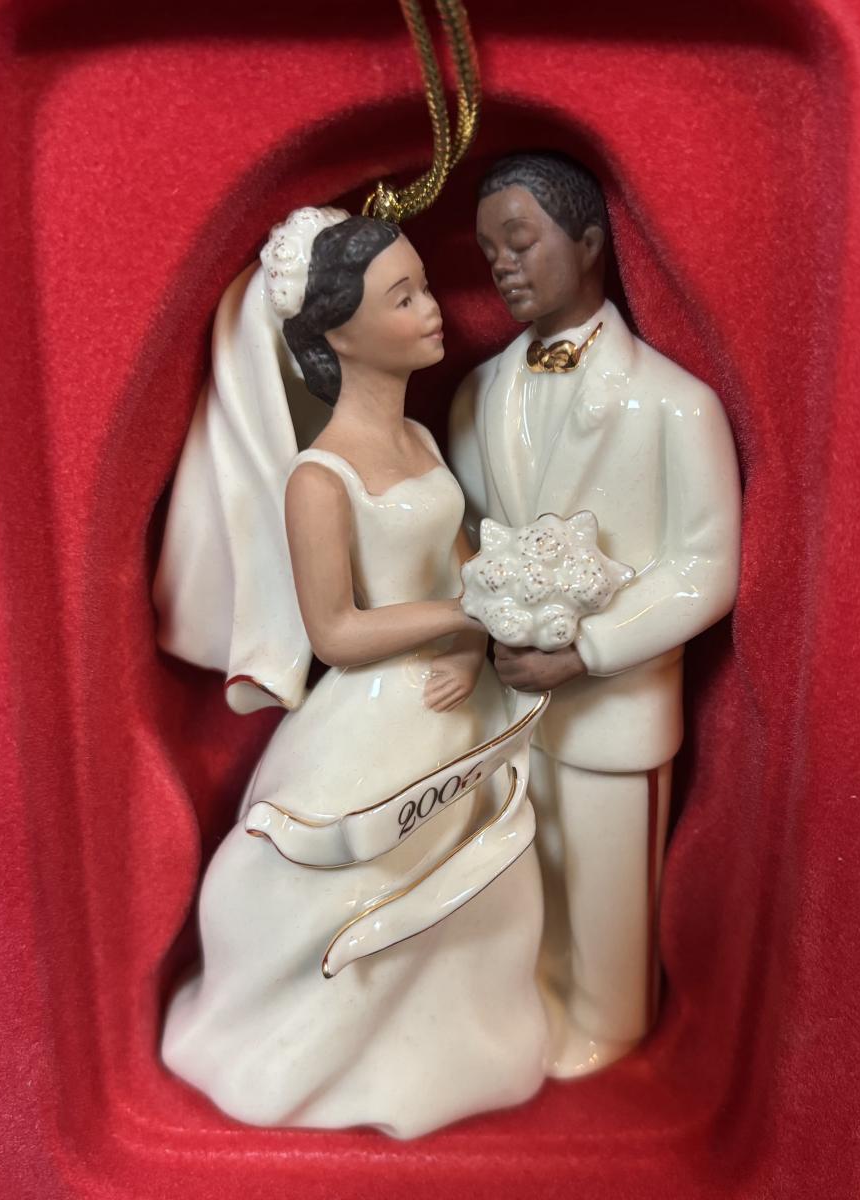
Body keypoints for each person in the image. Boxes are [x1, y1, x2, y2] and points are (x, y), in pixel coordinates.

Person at [154, 207, 547, 1137]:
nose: (432, 309)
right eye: (403, 297)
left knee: (476, 886)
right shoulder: (319, 478)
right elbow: (335, 631)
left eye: (424, 287)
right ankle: (323, 1046)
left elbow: (462, 563)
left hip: (453, 699)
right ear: (337, 333)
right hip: (375, 710)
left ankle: (449, 1044)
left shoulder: (419, 441)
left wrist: (473, 637)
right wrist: (462, 619)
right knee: (352, 877)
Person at [449, 153, 742, 1078]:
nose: (502, 265)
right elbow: (469, 530)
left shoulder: (676, 405)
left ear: (587, 241)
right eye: (489, 250)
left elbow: (705, 567)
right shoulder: (477, 395)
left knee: (611, 884)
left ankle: (610, 1022)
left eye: (520, 240)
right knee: (529, 866)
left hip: (616, 708)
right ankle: (537, 997)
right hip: (508, 707)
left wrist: (590, 648)